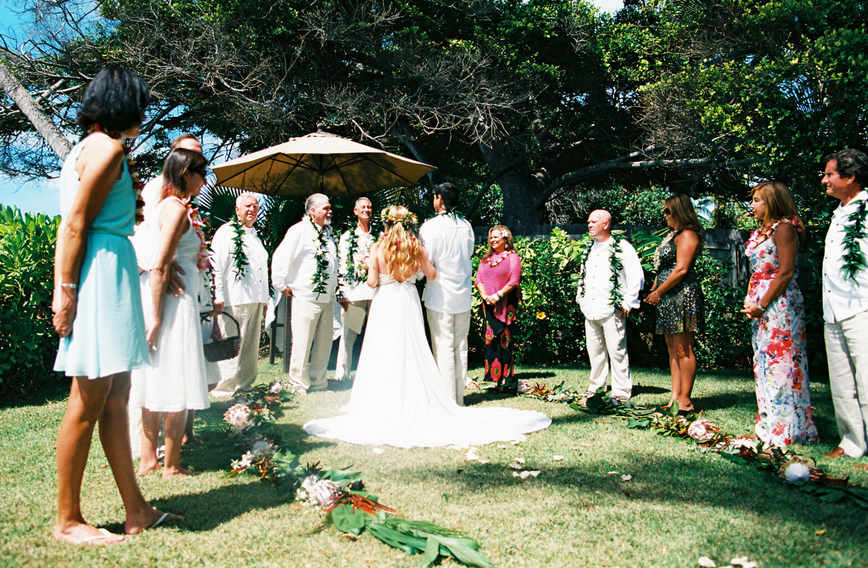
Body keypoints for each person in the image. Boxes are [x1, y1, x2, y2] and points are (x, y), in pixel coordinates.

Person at [51, 66, 179, 545]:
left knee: (116, 398)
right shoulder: (105, 148)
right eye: (139, 105)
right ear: (122, 104)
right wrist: (65, 290)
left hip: (112, 271)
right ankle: (68, 519)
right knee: (86, 402)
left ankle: (136, 509)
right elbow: (74, 224)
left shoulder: (90, 147)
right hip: (101, 276)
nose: (143, 115)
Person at [303, 206, 551, 447]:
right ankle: (413, 396)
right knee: (412, 349)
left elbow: (372, 282)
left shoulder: (378, 246)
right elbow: (431, 275)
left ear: (387, 223)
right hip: (408, 300)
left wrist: (368, 266)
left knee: (383, 349)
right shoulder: (415, 246)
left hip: (385, 302)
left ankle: (384, 399)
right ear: (409, 223)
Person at [129, 148, 213, 478]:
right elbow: (160, 264)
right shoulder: (176, 209)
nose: (204, 181)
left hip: (168, 299)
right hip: (174, 304)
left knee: (155, 376)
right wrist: (156, 317)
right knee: (177, 376)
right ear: (185, 174)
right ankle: (171, 465)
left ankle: (149, 459)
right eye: (201, 174)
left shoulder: (162, 206)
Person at [739, 182, 818, 447]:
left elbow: (785, 272)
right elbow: (757, 272)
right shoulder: (762, 232)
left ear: (772, 202)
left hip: (779, 304)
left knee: (782, 363)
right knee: (763, 361)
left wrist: (762, 303)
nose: (752, 206)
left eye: (757, 200)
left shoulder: (784, 229)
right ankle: (768, 426)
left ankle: (789, 430)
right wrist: (751, 299)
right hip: (761, 304)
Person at [820, 149, 868, 463]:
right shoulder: (839, 212)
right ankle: (851, 442)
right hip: (833, 308)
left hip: (862, 307)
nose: (824, 180)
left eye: (829, 174)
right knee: (841, 381)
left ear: (850, 177)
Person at [272, 193, 339, 394]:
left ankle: (319, 382)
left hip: (327, 297)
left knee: (324, 343)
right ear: (312, 210)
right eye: (326, 208)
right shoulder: (299, 230)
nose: (330, 211)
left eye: (329, 208)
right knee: (302, 343)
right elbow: (281, 256)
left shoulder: (328, 233)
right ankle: (298, 384)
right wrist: (280, 284)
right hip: (306, 297)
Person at [575, 210, 644, 405]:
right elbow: (583, 276)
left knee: (617, 351)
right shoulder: (589, 249)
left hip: (613, 309)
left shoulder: (622, 248)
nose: (589, 225)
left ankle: (621, 391)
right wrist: (581, 298)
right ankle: (596, 387)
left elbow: (635, 275)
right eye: (589, 222)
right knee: (595, 351)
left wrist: (628, 302)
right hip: (591, 308)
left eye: (594, 222)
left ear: (605, 224)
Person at [644, 194, 704, 413]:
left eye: (667, 211)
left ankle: (686, 401)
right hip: (668, 296)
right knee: (672, 348)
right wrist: (654, 290)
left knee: (683, 348)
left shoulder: (688, 234)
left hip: (682, 295)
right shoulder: (673, 235)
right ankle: (675, 397)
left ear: (679, 211)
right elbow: (663, 267)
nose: (664, 215)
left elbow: (681, 269)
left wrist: (659, 292)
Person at [420, 183, 475, 405]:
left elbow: (426, 260)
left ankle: (447, 400)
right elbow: (469, 253)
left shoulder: (430, 227)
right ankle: (459, 398)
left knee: (443, 346)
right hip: (463, 293)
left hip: (440, 295)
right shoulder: (466, 225)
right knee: (460, 347)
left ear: (439, 199)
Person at [210, 193, 270, 397]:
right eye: (247, 206)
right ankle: (224, 388)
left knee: (250, 348)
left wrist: (265, 299)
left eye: (255, 206)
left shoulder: (255, 236)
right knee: (232, 344)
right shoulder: (226, 232)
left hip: (256, 299)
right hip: (235, 299)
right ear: (237, 210)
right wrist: (218, 295)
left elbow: (261, 269)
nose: (252, 209)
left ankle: (245, 385)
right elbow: (216, 266)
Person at [474, 225, 522, 393]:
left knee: (505, 340)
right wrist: (485, 295)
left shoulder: (512, 257)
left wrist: (498, 295)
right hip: (489, 304)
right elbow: (479, 279)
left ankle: (506, 379)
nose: (493, 240)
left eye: (496, 237)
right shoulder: (486, 258)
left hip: (505, 304)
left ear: (505, 238)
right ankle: (494, 378)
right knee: (491, 339)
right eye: (491, 237)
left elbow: (514, 281)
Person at [335, 197, 376, 381]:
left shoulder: (378, 237)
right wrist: (343, 293)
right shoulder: (347, 237)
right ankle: (342, 375)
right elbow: (343, 266)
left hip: (375, 293)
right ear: (355, 211)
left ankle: (372, 375)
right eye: (363, 207)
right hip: (355, 292)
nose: (366, 210)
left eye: (369, 207)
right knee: (348, 335)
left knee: (375, 334)